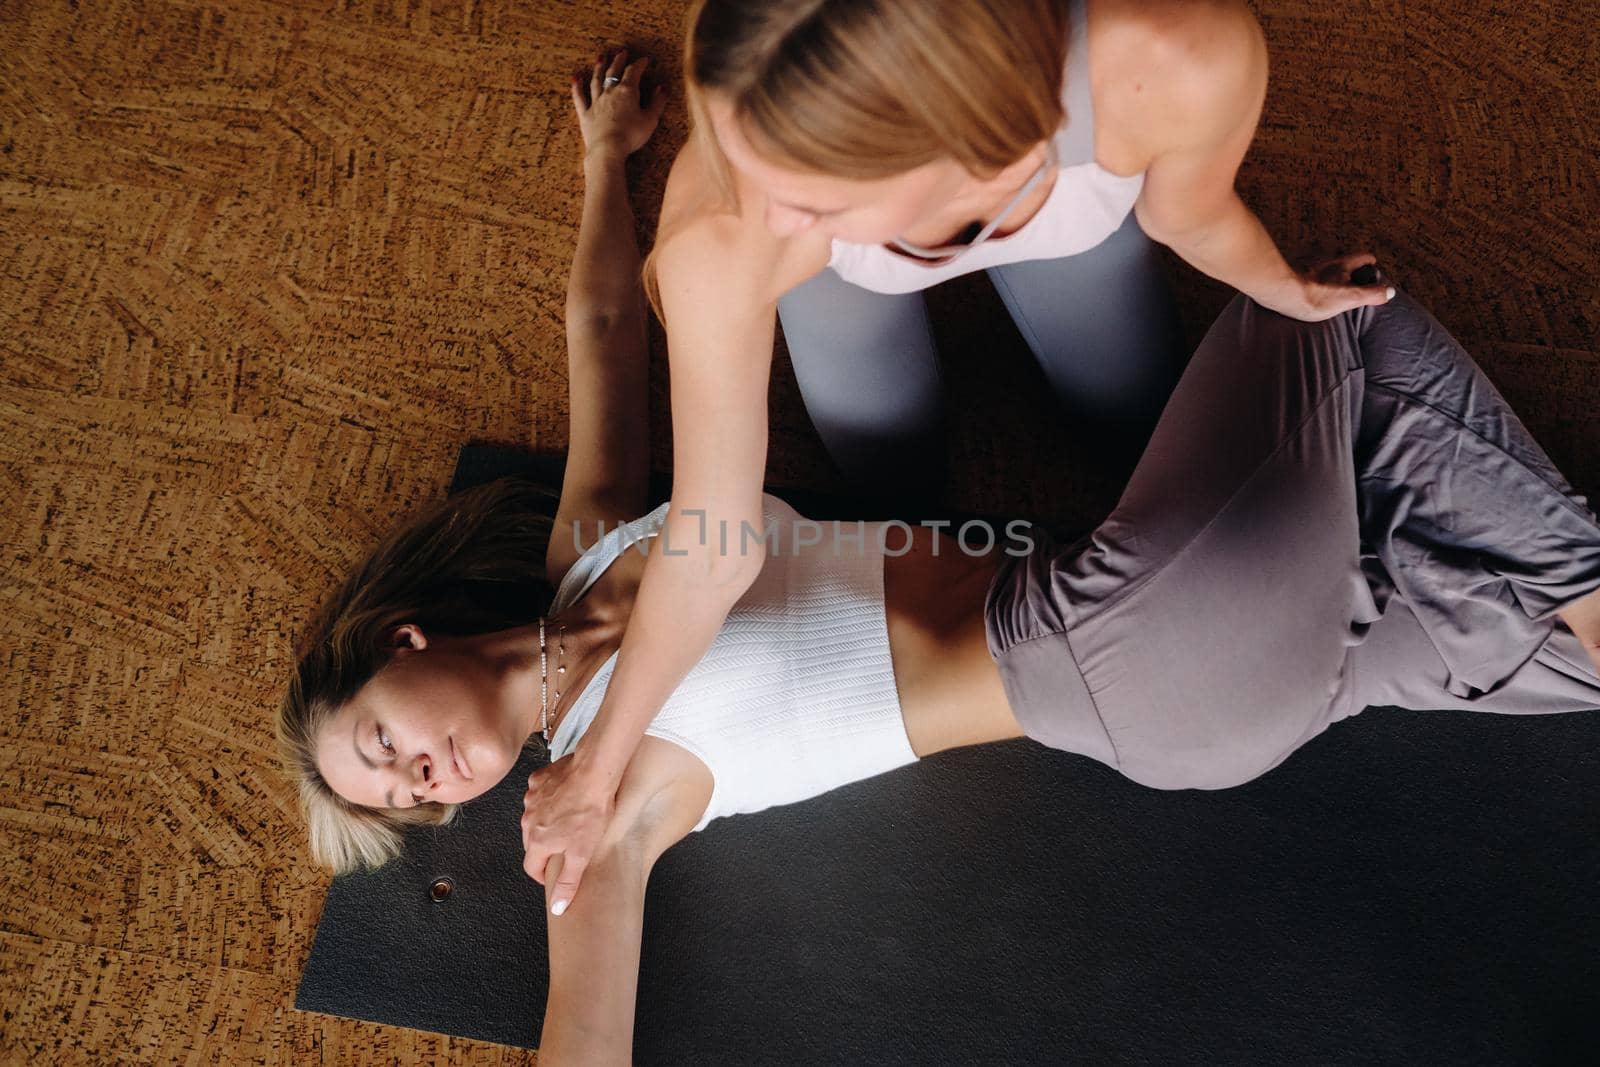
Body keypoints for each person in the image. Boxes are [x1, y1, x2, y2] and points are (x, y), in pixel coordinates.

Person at [279, 53, 1600, 1063]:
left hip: (1187, 634)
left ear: (405, 644)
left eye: (381, 742)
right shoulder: (591, 823)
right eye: (405, 800)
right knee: (1334, 314)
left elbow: (605, 327)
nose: (421, 778)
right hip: (1109, 651)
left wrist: (601, 166)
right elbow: (585, 1035)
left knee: (1490, 613)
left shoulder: (585, 545)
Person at [520, 0, 1405, 904]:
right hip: (843, 272)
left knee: (1137, 413)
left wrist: (1284, 286)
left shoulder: (1172, 57)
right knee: (885, 479)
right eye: (740, 158)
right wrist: (596, 766)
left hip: (1057, 195)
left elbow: (1195, 213)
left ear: (961, 147)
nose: (757, 210)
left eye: (807, 189)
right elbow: (710, 546)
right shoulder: (735, 222)